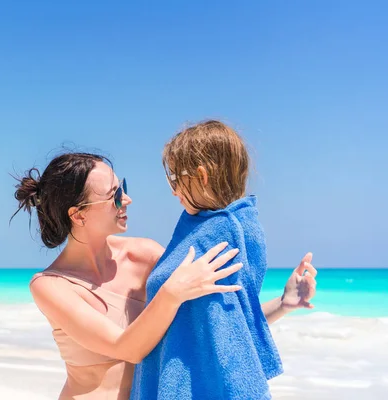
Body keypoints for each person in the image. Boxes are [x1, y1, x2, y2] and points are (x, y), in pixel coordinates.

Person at [12, 152, 316, 400]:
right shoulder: (51, 286)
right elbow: (126, 347)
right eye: (114, 196)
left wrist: (283, 304)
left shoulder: (144, 255)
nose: (126, 200)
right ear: (79, 214)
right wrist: (171, 294)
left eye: (123, 188)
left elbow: (213, 323)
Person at [131, 120, 314, 400]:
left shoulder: (222, 232)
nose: (173, 190)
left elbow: (221, 330)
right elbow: (216, 324)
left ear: (201, 175)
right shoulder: (214, 228)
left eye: (175, 179)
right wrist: (283, 303)